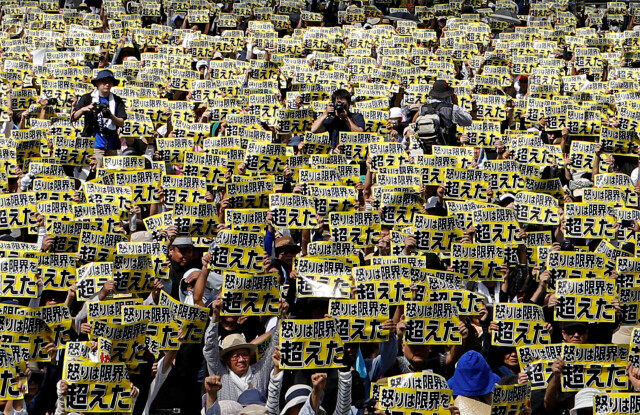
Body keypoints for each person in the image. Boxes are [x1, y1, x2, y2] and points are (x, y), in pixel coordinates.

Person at [71, 69, 127, 168]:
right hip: (93, 145)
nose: (107, 84)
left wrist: (110, 116)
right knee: (93, 171)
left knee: (110, 174)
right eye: (103, 81)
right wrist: (85, 109)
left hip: (112, 145)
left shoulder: (117, 100)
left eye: (110, 82)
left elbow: (121, 123)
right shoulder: (87, 98)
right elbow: (74, 117)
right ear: (97, 83)